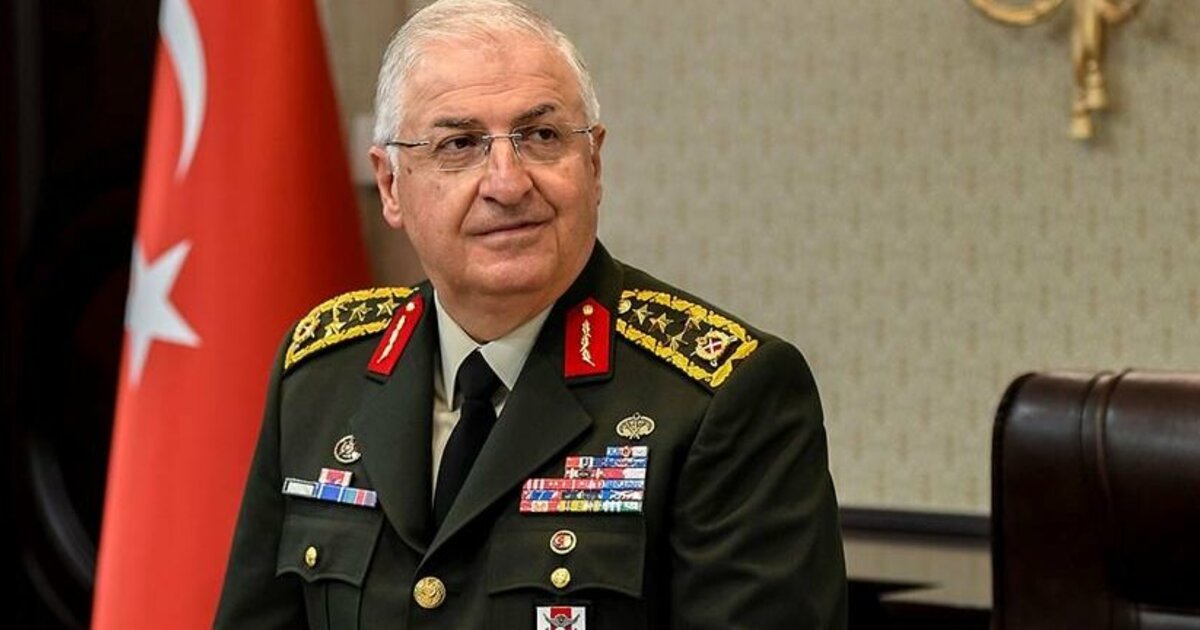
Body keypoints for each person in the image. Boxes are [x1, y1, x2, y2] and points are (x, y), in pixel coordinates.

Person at [214, 0, 846, 628]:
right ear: (391, 185)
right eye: (459, 144)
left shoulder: (724, 398)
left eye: (541, 137)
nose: (507, 183)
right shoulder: (321, 375)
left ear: (593, 164)